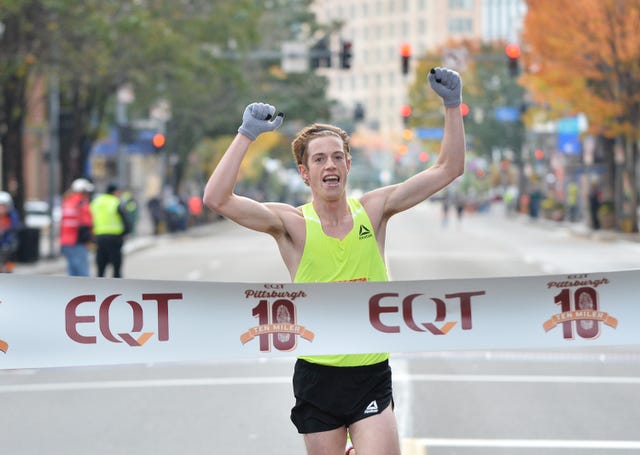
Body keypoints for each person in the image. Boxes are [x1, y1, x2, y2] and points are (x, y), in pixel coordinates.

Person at [203, 67, 465, 455]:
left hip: (370, 373)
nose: (330, 165)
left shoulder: (374, 210)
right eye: (320, 159)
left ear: (347, 166)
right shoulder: (291, 224)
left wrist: (452, 105)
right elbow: (217, 199)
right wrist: (246, 135)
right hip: (318, 377)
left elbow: (448, 168)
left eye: (337, 157)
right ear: (305, 173)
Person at [90, 183, 131, 278]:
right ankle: (117, 288)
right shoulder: (116, 202)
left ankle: (99, 287)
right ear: (115, 192)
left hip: (99, 237)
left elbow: (89, 218)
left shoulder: (96, 201)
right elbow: (125, 219)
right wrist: (126, 232)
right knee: (116, 266)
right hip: (114, 237)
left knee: (101, 265)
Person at [59, 178, 94, 276]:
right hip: (78, 242)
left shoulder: (67, 201)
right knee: (83, 274)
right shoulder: (82, 203)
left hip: (66, 242)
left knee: (72, 272)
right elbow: (86, 224)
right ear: (83, 192)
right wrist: (90, 240)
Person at [0, 191, 21, 273]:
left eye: (3, 206)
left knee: (10, 251)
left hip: (8, 243)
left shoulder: (12, 216)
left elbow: (14, 228)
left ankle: (9, 269)